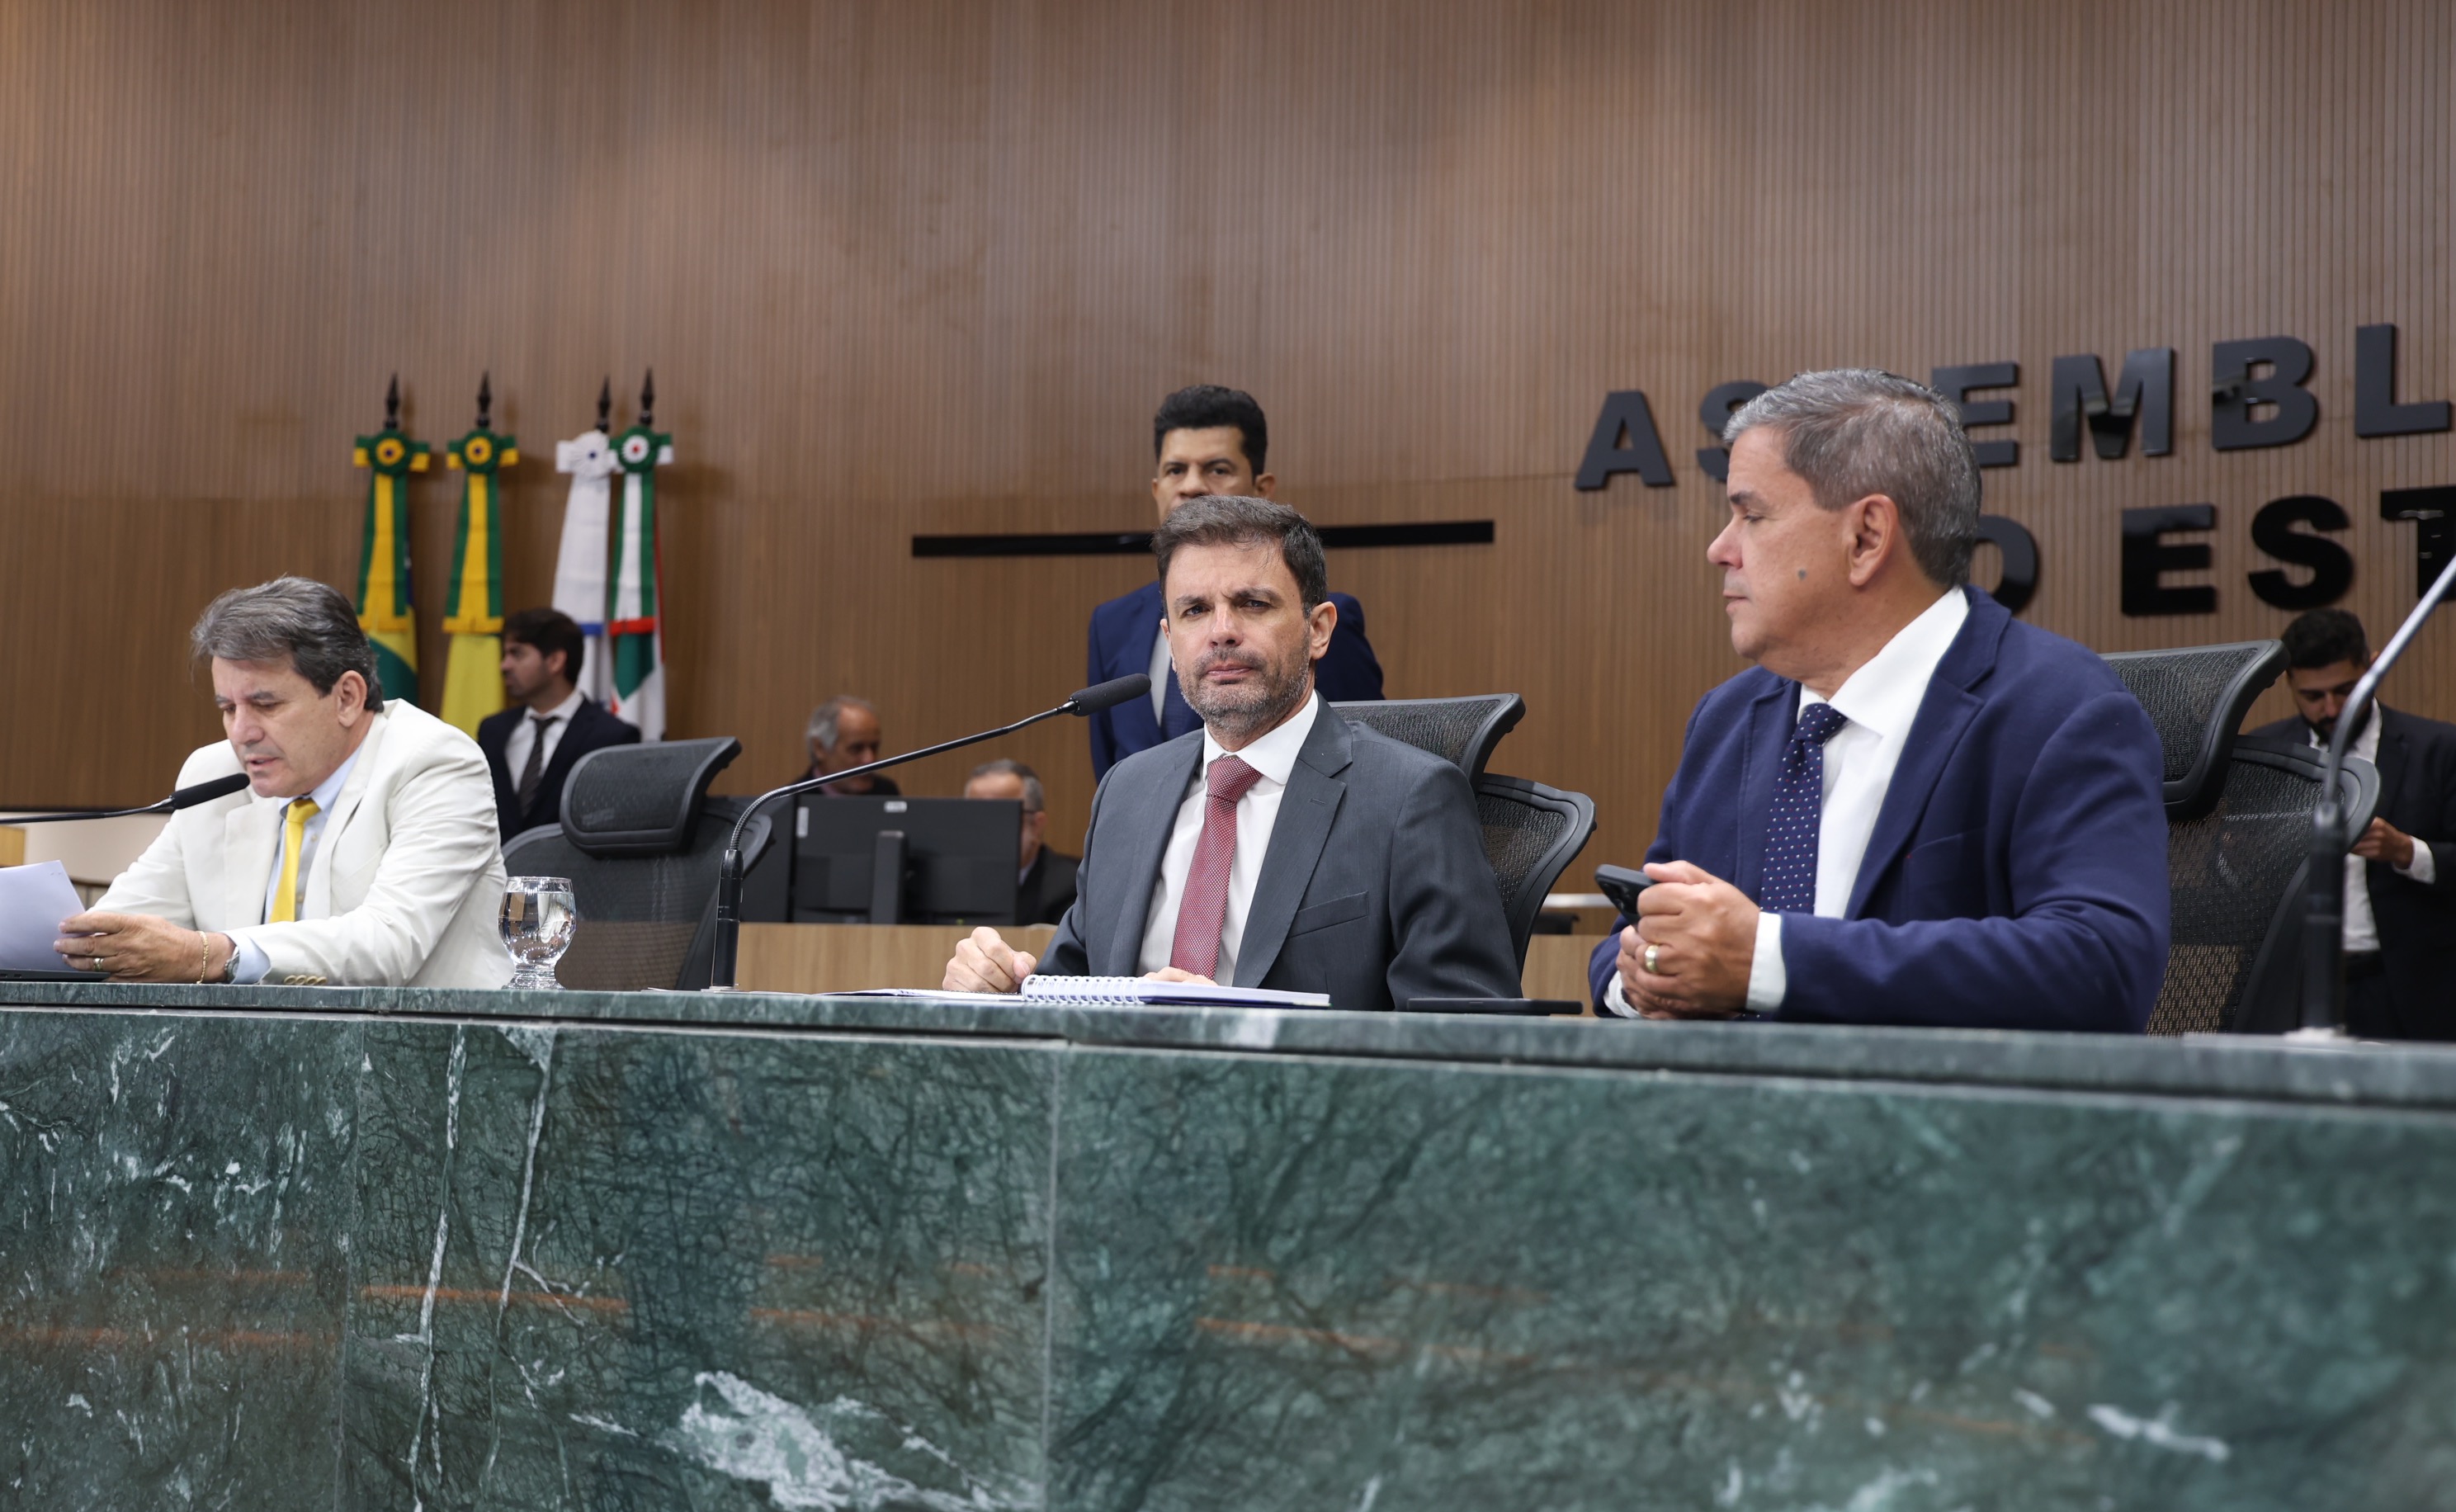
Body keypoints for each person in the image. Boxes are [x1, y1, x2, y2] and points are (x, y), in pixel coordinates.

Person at [1587, 369, 2169, 1031]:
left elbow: (2099, 965)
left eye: (1751, 515)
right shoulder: (1726, 720)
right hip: (1720, 1097)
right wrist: (1645, 977)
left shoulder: (2059, 709)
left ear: (1866, 537)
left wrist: (1768, 962)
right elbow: (1631, 935)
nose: (1719, 549)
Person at [947, 496, 1516, 1009]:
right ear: (1170, 642)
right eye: (1195, 610)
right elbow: (1068, 991)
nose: (1221, 631)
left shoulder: (1410, 798)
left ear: (1318, 630)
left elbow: (1462, 1034)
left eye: (1253, 603)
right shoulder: (1126, 791)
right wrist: (1004, 988)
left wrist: (1234, 1028)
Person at [59, 577, 510, 988]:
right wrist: (62, 944)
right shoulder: (216, 775)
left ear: (347, 697)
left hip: (424, 1045)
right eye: (228, 708)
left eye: (266, 705)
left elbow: (387, 945)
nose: (241, 733)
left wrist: (210, 955)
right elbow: (115, 930)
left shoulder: (434, 764)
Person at [1087, 385, 1384, 780]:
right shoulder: (1111, 624)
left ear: (1262, 490)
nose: (1191, 486)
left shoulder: (1313, 621)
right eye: (1176, 470)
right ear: (1157, 490)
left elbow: (1364, 763)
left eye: (1217, 469)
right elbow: (1110, 774)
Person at [2244, 608, 2456, 1039]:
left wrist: (2407, 851)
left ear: (2373, 666)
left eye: (2346, 690)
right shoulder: (2264, 754)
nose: (2332, 709)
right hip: (2293, 988)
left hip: (2408, 989)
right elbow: (2225, 877)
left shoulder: (2439, 748)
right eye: (2313, 696)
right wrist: (2238, 855)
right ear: (2289, 683)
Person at [476, 606, 640, 844]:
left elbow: (612, 823)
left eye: (517, 654)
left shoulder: (612, 736)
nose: (504, 665)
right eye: (505, 654)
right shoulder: (493, 730)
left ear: (555, 661)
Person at [965, 758, 1079, 924]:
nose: (984, 829)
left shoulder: (1070, 886)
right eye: (974, 816)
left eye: (998, 816)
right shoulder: (950, 883)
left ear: (1036, 825)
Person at [801, 696, 900, 795]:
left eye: (874, 748)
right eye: (856, 749)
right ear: (820, 748)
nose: (870, 760)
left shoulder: (888, 793)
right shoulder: (795, 798)